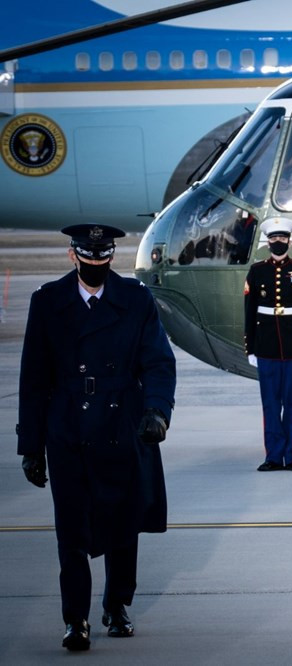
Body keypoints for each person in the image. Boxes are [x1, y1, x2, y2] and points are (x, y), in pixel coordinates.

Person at [17, 224, 176, 652]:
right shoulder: (48, 301)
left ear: (110, 259)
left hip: (121, 425)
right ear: (74, 257)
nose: (95, 268)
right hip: (67, 428)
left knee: (124, 526)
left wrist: (157, 412)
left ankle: (117, 605)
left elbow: (158, 362)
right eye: (88, 261)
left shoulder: (136, 299)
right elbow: (33, 379)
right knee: (71, 531)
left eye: (102, 261)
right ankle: (76, 620)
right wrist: (31, 446)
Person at [244, 217, 292, 471]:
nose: (278, 242)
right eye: (274, 239)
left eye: (282, 238)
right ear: (268, 242)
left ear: (290, 241)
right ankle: (273, 457)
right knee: (271, 404)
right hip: (266, 347)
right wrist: (251, 348)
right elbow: (249, 311)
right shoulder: (256, 271)